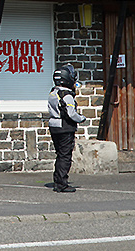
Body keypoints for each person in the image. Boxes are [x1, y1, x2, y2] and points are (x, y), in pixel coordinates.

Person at [48, 64, 86, 193]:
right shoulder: (67, 95)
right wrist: (81, 118)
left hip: (54, 126)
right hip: (64, 127)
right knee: (65, 156)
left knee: (60, 155)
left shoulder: (53, 92)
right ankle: (61, 184)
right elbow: (71, 113)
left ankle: (58, 180)